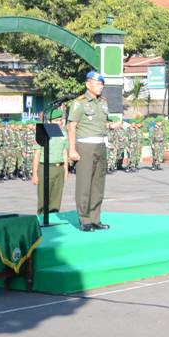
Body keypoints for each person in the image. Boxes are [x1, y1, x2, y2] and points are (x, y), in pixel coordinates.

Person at [67, 71, 123, 232]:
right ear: (87, 84)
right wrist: (72, 149)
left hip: (101, 145)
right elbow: (72, 126)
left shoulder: (103, 102)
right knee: (84, 184)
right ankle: (84, 220)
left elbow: (102, 123)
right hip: (85, 146)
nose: (100, 87)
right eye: (97, 84)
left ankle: (95, 219)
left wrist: (112, 125)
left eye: (101, 84)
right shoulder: (80, 103)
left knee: (98, 184)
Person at [32, 109, 68, 214]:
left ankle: (53, 218)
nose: (59, 122)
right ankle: (41, 218)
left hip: (59, 168)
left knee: (56, 198)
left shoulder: (64, 133)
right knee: (43, 197)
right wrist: (34, 174)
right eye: (56, 120)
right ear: (50, 121)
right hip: (45, 167)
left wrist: (65, 170)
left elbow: (65, 153)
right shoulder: (43, 132)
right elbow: (37, 154)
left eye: (60, 120)